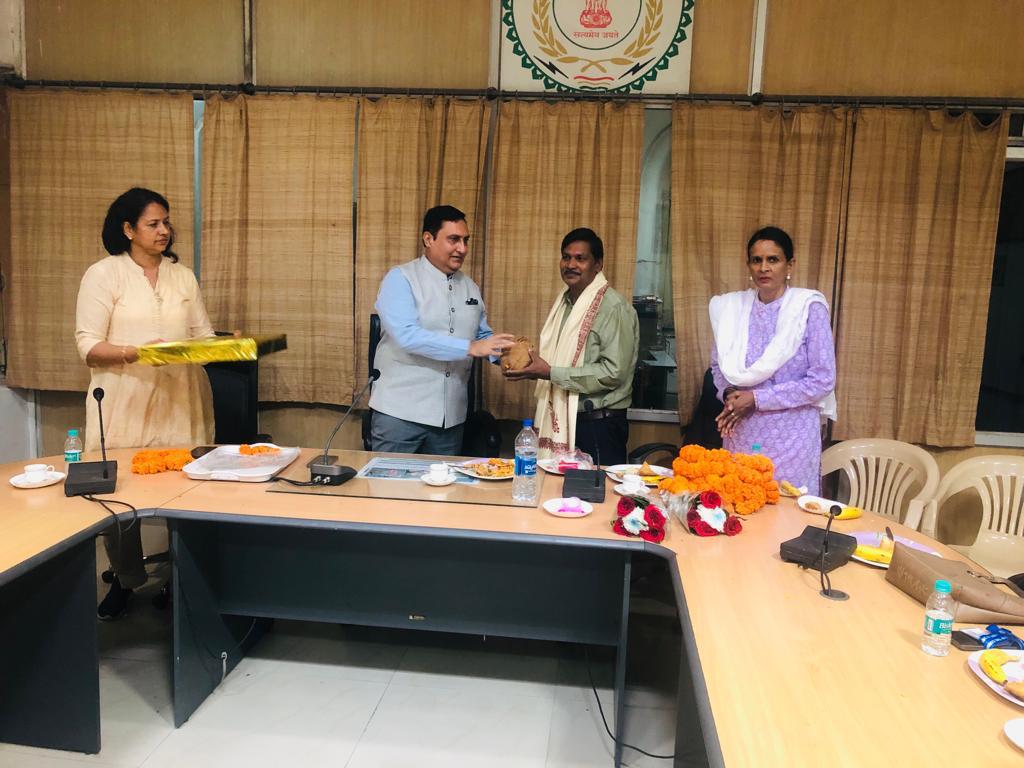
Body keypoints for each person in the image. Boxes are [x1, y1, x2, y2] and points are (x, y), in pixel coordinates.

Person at [76, 187, 216, 620]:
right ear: (127, 229)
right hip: (124, 401)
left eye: (166, 222)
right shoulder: (104, 274)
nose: (164, 231)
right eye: (153, 223)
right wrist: (137, 352)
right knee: (118, 500)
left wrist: (215, 349)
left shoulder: (183, 276)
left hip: (181, 400)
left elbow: (204, 338)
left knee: (188, 493)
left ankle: (181, 581)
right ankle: (125, 579)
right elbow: (88, 346)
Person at [369, 205, 514, 455]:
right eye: (453, 239)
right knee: (390, 481)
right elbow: (408, 336)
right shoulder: (401, 278)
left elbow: (481, 335)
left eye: (466, 240)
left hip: (450, 420)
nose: (462, 249)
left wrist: (508, 356)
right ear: (428, 239)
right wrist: (471, 347)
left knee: (445, 482)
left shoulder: (470, 287)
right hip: (400, 414)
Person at [709, 226, 837, 494]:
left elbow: (823, 380)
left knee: (786, 511)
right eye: (757, 260)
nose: (763, 268)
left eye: (773, 259)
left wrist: (757, 399)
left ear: (789, 265)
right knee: (739, 504)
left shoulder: (808, 309)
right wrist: (730, 393)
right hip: (742, 430)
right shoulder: (732, 309)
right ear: (748, 265)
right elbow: (718, 365)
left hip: (792, 437)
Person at [503, 228, 639, 465]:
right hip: (563, 418)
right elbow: (562, 362)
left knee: (595, 490)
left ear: (598, 265)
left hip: (598, 426)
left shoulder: (613, 308)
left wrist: (550, 373)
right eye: (566, 257)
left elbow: (613, 372)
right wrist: (531, 368)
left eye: (580, 258)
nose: (571, 265)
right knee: (552, 487)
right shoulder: (565, 304)